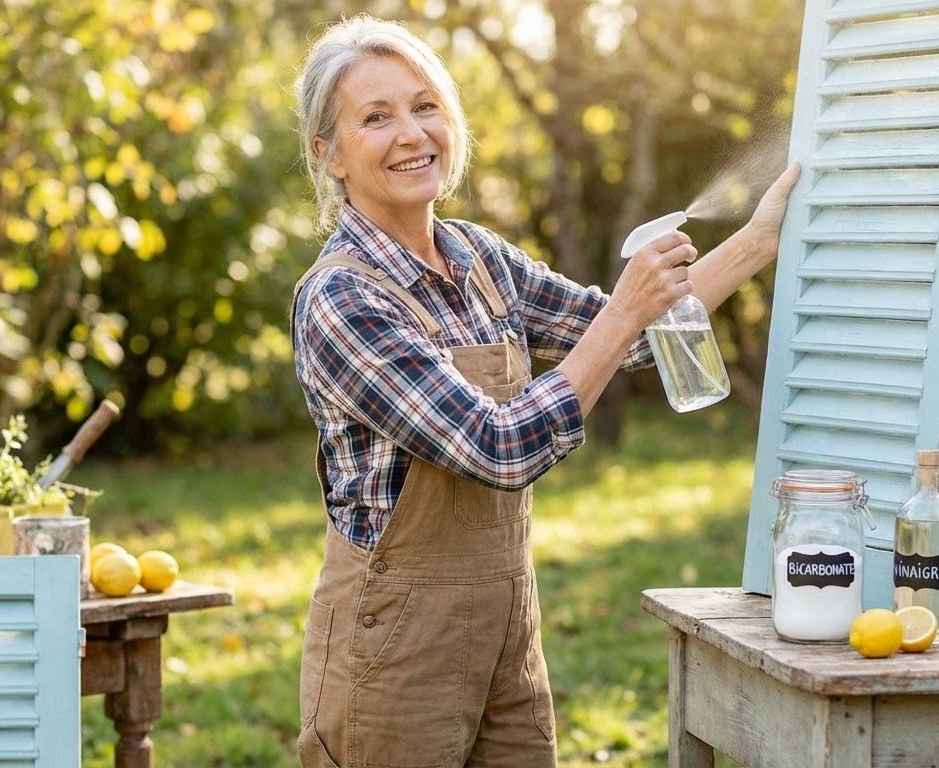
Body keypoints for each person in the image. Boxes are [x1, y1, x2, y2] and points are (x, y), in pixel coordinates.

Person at [290, 14, 799, 768]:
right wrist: (628, 309)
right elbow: (499, 447)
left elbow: (621, 338)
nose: (411, 132)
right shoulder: (342, 300)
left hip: (505, 628)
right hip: (392, 645)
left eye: (425, 105)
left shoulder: (479, 257)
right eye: (376, 117)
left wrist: (759, 240)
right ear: (326, 154)